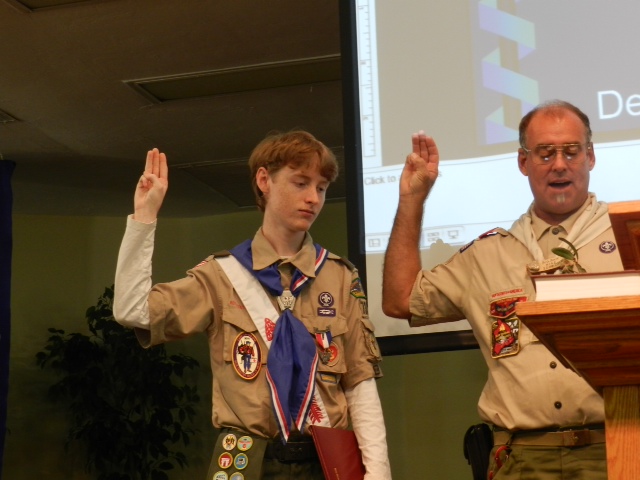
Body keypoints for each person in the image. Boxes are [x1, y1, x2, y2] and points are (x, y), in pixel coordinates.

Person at [113, 130, 392, 479]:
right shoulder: (221, 276)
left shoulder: (339, 277)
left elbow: (360, 383)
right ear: (264, 180)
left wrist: (378, 473)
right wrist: (144, 218)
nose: (313, 198)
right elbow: (132, 311)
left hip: (324, 462)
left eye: (321, 188)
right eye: (300, 182)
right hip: (247, 461)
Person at [382, 100, 621, 480]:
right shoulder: (487, 255)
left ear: (590, 157)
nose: (559, 164)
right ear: (523, 163)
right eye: (544, 153)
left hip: (616, 451)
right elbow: (399, 299)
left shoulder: (629, 239)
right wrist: (412, 200)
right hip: (522, 459)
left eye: (571, 151)